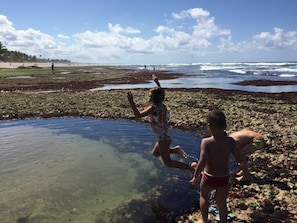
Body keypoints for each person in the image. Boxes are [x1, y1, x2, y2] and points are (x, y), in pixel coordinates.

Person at [127, 74, 195, 171]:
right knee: (155, 153)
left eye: (150, 96)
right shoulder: (163, 105)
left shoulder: (153, 108)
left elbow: (138, 115)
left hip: (163, 138)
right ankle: (175, 150)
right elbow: (160, 92)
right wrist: (157, 82)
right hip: (166, 134)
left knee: (168, 162)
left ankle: (191, 167)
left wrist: (131, 102)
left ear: (152, 98)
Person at [190, 110, 245, 223]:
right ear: (225, 126)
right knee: (221, 203)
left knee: (204, 196)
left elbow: (202, 161)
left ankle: (205, 221)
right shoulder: (230, 141)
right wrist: (241, 167)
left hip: (209, 176)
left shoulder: (206, 142)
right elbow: (240, 159)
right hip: (224, 177)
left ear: (209, 126)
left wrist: (196, 176)